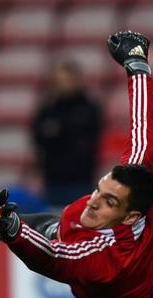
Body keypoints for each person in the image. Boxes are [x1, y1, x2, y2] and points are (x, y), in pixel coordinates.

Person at [0, 32, 153, 298]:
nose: (94, 200)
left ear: (130, 216)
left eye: (109, 201)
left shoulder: (108, 258)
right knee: (60, 222)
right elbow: (143, 124)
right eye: (100, 189)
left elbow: (54, 257)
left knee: (51, 234)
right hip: (122, 240)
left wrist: (15, 232)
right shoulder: (134, 176)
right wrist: (136, 63)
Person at [32, 60, 102, 206]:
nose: (64, 84)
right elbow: (38, 137)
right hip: (53, 180)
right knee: (55, 223)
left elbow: (90, 138)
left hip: (80, 179)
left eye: (68, 80)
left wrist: (58, 132)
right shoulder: (47, 108)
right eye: (60, 80)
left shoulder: (89, 108)